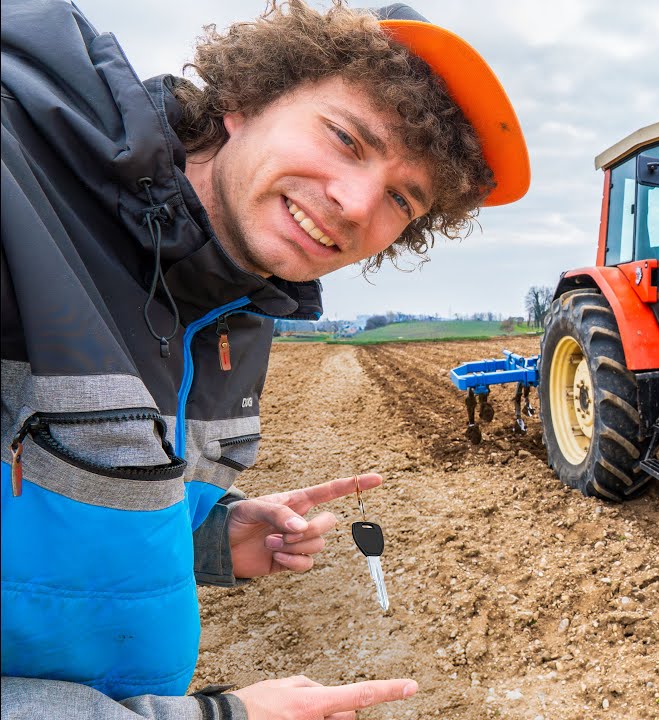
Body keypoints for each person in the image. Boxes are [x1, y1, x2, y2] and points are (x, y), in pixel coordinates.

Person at [0, 0, 529, 717]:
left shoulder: (236, 311)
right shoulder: (19, 199)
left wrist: (207, 536)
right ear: (243, 101)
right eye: (346, 138)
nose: (352, 204)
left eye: (402, 200)